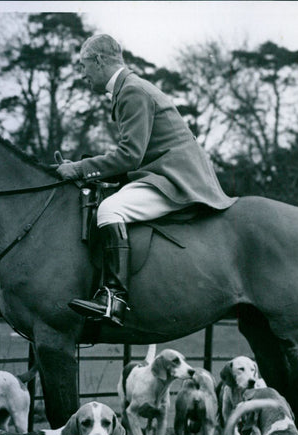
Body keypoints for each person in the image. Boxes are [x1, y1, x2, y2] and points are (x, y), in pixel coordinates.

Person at [57, 34, 236, 327]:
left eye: (84, 65)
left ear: (99, 60)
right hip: (164, 171)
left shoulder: (132, 91)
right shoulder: (129, 89)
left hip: (174, 178)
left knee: (109, 210)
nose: (83, 74)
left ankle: (113, 299)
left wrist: (79, 169)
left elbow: (130, 156)